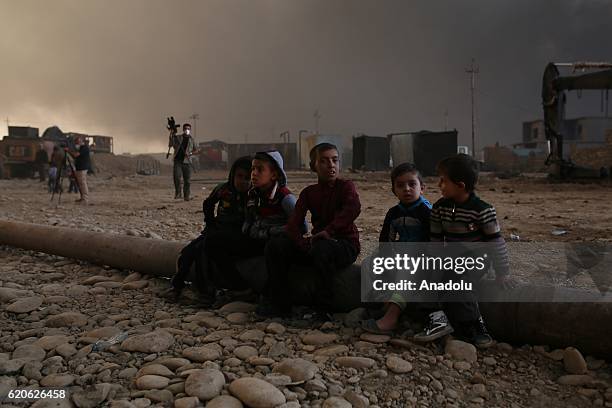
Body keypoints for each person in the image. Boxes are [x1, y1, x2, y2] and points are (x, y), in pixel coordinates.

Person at [260, 143, 360, 317]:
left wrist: (329, 231)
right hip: (318, 243)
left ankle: (324, 308)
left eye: (334, 160)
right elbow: (293, 224)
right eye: (324, 161)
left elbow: (352, 209)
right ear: (313, 166)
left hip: (344, 244)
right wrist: (302, 243)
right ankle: (280, 304)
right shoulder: (309, 193)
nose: (331, 165)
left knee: (322, 249)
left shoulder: (346, 186)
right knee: (276, 245)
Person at [421, 153, 511, 348]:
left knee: (458, 280)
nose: (439, 185)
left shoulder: (482, 210)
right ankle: (438, 319)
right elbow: (436, 241)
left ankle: (475, 325)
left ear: (460, 186)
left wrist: (502, 272)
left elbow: (495, 242)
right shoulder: (439, 208)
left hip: (477, 257)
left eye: (444, 181)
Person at [361, 163, 454, 340]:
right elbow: (385, 240)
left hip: (422, 257)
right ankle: (379, 303)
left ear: (422, 187)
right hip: (399, 253)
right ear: (393, 190)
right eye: (400, 185)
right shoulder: (394, 212)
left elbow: (433, 242)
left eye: (412, 184)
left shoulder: (427, 212)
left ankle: (392, 316)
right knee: (368, 263)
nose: (407, 189)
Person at [204, 151, 298, 298]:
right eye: (253, 169)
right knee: (213, 241)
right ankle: (240, 287)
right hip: (257, 239)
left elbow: (300, 226)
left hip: (275, 242)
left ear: (274, 175)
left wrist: (271, 231)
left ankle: (276, 298)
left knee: (275, 249)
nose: (254, 173)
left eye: (260, 170)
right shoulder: (254, 194)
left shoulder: (285, 197)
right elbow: (249, 220)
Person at [166, 156, 252, 303]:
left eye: (247, 178)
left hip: (235, 235)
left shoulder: (252, 195)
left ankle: (206, 291)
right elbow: (208, 204)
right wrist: (210, 223)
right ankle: (177, 284)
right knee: (188, 252)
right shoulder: (223, 189)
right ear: (232, 175)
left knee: (203, 253)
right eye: (239, 176)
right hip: (217, 230)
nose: (243, 181)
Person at [169, 123, 196, 201]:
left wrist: (190, 153)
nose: (187, 130)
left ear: (190, 130)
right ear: (183, 129)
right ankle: (178, 193)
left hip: (187, 162)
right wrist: (171, 133)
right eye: (185, 128)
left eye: (188, 129)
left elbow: (196, 150)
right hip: (178, 161)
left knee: (187, 181)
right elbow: (171, 144)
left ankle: (186, 196)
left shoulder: (192, 140)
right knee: (177, 177)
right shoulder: (178, 138)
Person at [65, 136, 90, 204]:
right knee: (80, 184)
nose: (76, 144)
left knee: (82, 183)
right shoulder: (81, 148)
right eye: (75, 142)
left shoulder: (84, 148)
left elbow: (76, 155)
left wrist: (68, 150)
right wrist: (69, 152)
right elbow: (75, 156)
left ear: (81, 141)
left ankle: (85, 199)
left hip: (82, 168)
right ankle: (82, 198)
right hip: (79, 168)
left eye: (77, 142)